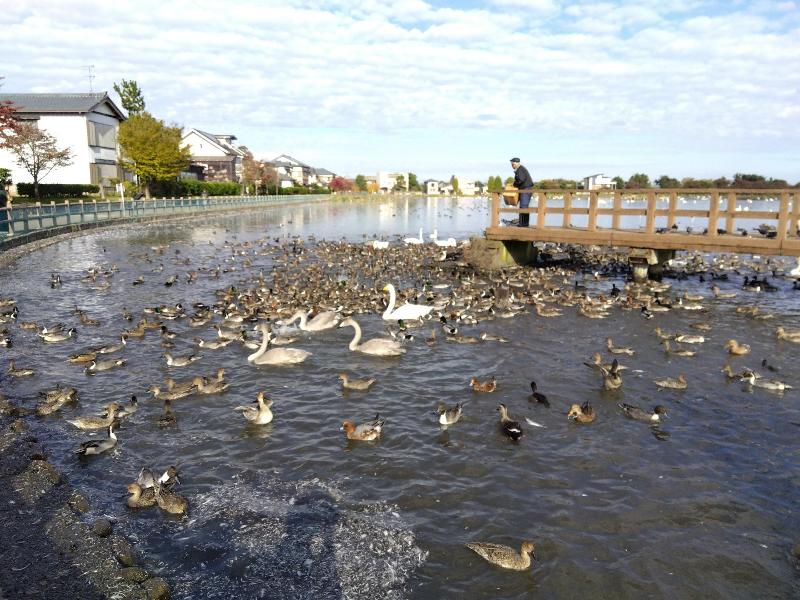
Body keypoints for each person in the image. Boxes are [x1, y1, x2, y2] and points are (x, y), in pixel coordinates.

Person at [510, 157, 533, 227]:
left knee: (523, 206)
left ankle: (522, 224)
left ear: (517, 163)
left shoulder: (520, 169)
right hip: (526, 189)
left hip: (526, 189)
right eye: (511, 164)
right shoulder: (521, 169)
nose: (512, 166)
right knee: (524, 206)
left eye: (513, 164)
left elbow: (521, 180)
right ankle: (524, 223)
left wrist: (514, 184)